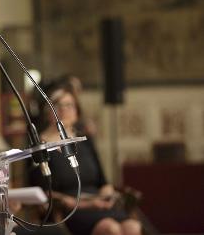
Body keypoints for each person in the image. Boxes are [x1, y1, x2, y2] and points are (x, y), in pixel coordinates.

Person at [29, 80, 142, 235]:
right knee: (110, 229)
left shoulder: (85, 139)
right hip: (70, 209)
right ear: (47, 110)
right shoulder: (39, 145)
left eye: (69, 105)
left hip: (98, 203)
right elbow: (42, 192)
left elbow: (103, 181)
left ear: (77, 111)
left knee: (132, 227)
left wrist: (107, 196)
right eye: (58, 105)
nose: (64, 110)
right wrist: (86, 204)